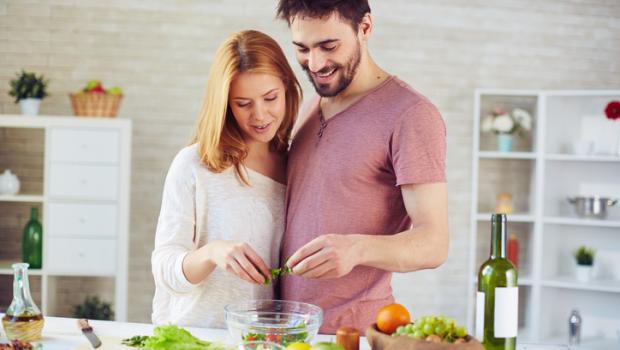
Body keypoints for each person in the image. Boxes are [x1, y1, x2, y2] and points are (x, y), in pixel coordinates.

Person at [276, 0, 449, 333]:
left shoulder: (411, 115)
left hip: (356, 333)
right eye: (302, 48)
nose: (316, 63)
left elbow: (434, 243)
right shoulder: (313, 104)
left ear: (365, 28)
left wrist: (355, 248)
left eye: (329, 46)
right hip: (294, 331)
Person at [151, 29, 302, 328]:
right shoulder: (196, 164)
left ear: (287, 88)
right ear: (225, 104)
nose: (260, 115)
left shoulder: (297, 165)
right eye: (243, 104)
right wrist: (213, 253)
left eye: (270, 98)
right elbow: (164, 268)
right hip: (194, 336)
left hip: (260, 339)